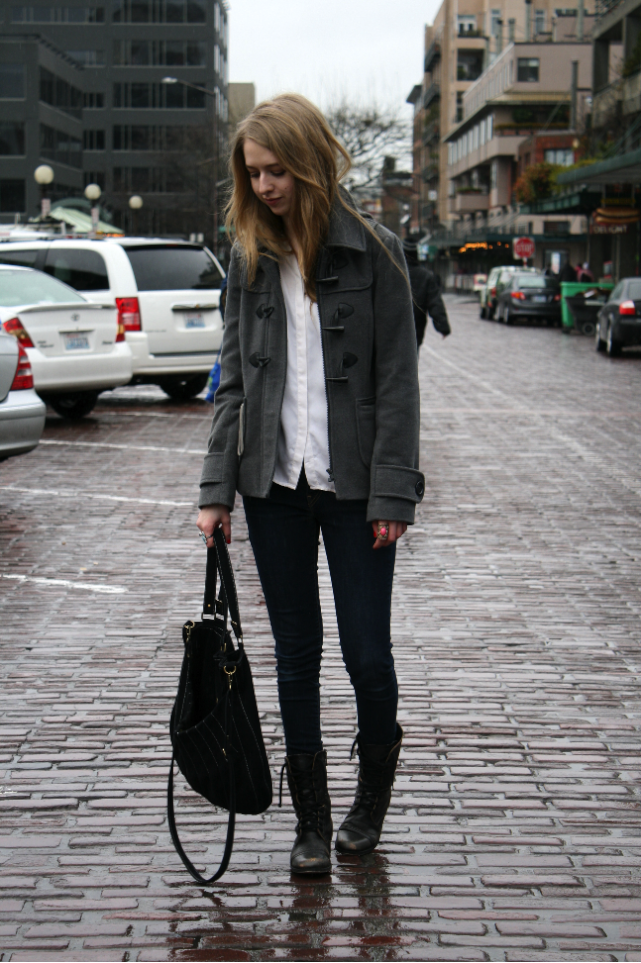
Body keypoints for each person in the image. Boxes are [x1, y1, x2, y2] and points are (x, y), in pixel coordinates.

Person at [196, 94, 424, 876]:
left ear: (311, 163)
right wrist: (215, 490)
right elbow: (231, 381)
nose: (264, 186)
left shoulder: (377, 254)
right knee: (295, 654)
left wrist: (394, 494)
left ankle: (370, 796)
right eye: (253, 173)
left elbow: (396, 384)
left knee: (367, 654)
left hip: (355, 489)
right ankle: (312, 821)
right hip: (273, 487)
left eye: (277, 170)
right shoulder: (248, 259)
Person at [402, 237, 451, 346]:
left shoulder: (394, 273)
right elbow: (435, 303)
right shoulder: (426, 276)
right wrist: (443, 327)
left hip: (393, 327)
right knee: (413, 353)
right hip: (416, 327)